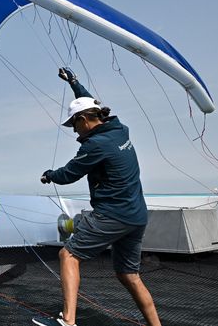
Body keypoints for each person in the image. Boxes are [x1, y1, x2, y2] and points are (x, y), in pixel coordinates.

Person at [32, 68, 161, 326]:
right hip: (136, 216)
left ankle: (68, 322)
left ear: (83, 120)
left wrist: (50, 175)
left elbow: (69, 174)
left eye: (73, 125)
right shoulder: (119, 129)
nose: (74, 131)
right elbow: (94, 105)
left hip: (112, 216)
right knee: (129, 275)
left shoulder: (95, 145)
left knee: (68, 255)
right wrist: (74, 82)